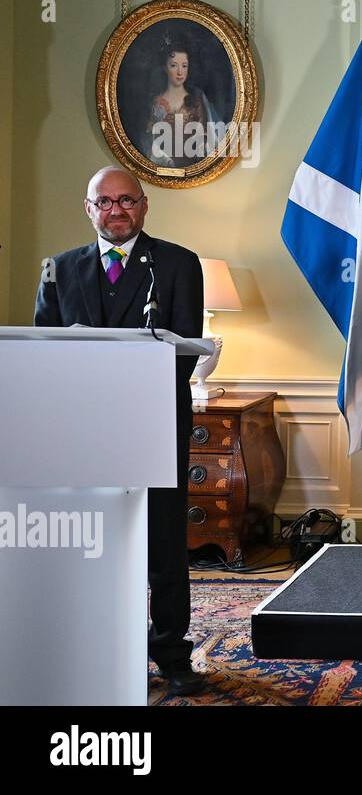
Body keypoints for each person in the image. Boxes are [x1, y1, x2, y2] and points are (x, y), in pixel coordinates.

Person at [34, 166, 207, 696]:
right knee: (95, 544)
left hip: (155, 426)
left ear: (144, 205)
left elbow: (183, 352)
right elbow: (47, 352)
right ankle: (100, 647)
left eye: (126, 200)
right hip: (85, 435)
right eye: (104, 202)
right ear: (89, 209)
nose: (116, 210)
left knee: (164, 543)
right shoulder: (60, 270)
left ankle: (172, 655)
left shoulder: (179, 264)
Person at [143, 37, 217, 167]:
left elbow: (207, 140)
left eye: (184, 66)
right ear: (165, 68)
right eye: (173, 65)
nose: (180, 72)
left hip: (194, 169)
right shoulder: (156, 102)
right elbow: (150, 142)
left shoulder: (197, 100)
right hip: (162, 169)